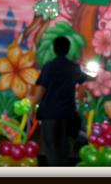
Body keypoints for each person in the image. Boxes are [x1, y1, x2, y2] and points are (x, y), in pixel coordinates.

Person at [28, 36, 90, 166]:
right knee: (64, 148)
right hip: (67, 112)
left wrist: (32, 107)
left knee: (51, 148)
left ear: (54, 49)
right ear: (68, 49)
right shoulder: (74, 67)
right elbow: (83, 83)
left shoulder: (49, 66)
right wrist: (80, 101)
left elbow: (41, 89)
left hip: (49, 113)